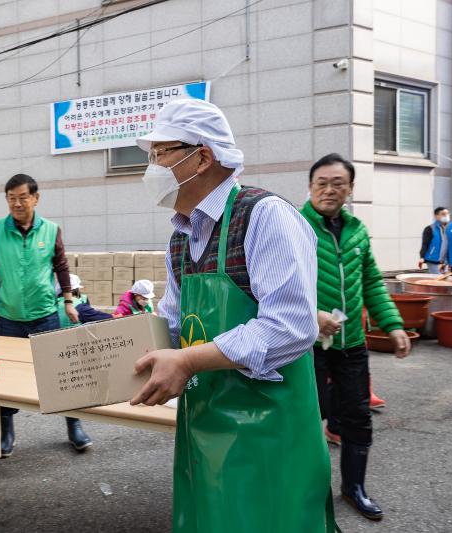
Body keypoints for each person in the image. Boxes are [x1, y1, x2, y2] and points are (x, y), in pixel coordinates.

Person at [129, 99, 335, 532]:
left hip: (269, 432)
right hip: (204, 426)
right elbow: (172, 321)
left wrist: (187, 361)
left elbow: (292, 327)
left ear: (201, 157)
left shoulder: (265, 216)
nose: (152, 167)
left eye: (160, 153)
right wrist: (111, 353)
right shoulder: (182, 236)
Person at [302, 153, 410, 521]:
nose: (330, 190)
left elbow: (372, 283)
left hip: (351, 344)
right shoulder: (294, 226)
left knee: (358, 416)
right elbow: (276, 284)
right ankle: (307, 492)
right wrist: (310, 315)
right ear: (310, 186)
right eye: (322, 183)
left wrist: (392, 325)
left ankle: (354, 488)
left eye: (338, 183)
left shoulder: (357, 231)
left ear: (350, 189)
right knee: (308, 418)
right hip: (308, 345)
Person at [0, 174, 92, 456]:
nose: (17, 203)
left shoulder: (51, 230)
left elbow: (61, 266)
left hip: (45, 314)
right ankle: (6, 430)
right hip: (9, 317)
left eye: (23, 197)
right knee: (6, 378)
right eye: (11, 198)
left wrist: (68, 302)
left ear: (36, 198)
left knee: (60, 374)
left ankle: (74, 425)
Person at [418, 207, 449, 274]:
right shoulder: (430, 228)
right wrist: (422, 257)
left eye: (447, 214)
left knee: (446, 281)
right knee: (437, 279)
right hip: (433, 259)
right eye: (443, 214)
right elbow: (425, 244)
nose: (446, 216)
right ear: (436, 216)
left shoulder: (449, 228)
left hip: (445, 261)